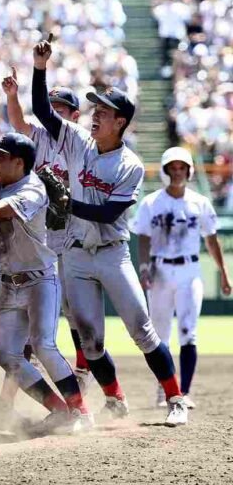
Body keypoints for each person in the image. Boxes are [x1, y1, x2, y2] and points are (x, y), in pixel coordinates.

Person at [31, 37, 188, 426]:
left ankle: (175, 399)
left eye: (105, 110)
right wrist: (39, 68)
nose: (95, 114)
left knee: (142, 329)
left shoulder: (130, 164)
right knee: (90, 341)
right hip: (75, 253)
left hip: (111, 253)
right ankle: (115, 399)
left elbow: (109, 212)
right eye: (95, 108)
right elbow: (42, 113)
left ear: (121, 122)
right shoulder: (79, 140)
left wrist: (66, 201)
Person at [0, 133, 92, 433]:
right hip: (8, 283)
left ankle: (80, 410)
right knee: (7, 356)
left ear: (19, 163)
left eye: (2, 156)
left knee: (44, 345)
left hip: (39, 280)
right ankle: (58, 410)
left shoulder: (31, 189)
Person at [2, 66, 99, 392]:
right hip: (40, 236)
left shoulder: (80, 141)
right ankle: (14, 391)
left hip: (71, 232)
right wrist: (13, 96)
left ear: (73, 114)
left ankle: (84, 373)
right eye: (51, 108)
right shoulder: (37, 136)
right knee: (30, 318)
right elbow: (19, 122)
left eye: (60, 109)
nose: (54, 114)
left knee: (75, 310)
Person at [132, 146, 231, 408]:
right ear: (165, 171)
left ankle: (184, 392)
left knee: (189, 332)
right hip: (160, 271)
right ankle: (164, 390)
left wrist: (224, 273)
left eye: (182, 167)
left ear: (190, 170)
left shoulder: (200, 202)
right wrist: (143, 268)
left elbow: (211, 240)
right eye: (172, 168)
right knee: (160, 336)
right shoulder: (151, 202)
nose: (177, 172)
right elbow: (143, 238)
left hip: (190, 271)